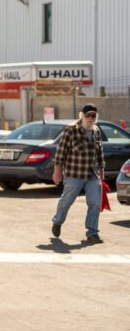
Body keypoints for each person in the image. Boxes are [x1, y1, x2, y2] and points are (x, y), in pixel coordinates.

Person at [51, 104, 105, 244]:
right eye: (87, 116)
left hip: (92, 174)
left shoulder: (96, 131)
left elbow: (100, 153)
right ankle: (57, 221)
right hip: (74, 174)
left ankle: (92, 233)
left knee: (95, 203)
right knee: (66, 201)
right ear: (82, 116)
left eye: (93, 116)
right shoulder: (71, 130)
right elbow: (60, 152)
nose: (90, 118)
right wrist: (57, 172)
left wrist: (102, 172)